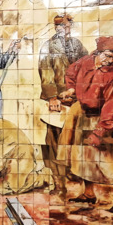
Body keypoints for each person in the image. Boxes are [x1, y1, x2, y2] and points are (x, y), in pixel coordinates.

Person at [56, 36, 113, 213]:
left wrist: (100, 131)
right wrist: (71, 89)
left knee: (105, 159)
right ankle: (88, 194)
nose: (110, 61)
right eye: (107, 56)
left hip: (101, 118)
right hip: (81, 113)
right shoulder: (85, 62)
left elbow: (112, 104)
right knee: (82, 157)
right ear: (98, 52)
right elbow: (71, 72)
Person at [38, 14, 88, 197]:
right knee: (54, 142)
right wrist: (52, 97)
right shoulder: (48, 46)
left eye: (65, 25)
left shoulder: (78, 45)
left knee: (75, 141)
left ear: (70, 26)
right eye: (58, 25)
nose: (61, 28)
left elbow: (88, 68)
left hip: (77, 101)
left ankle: (77, 183)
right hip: (57, 102)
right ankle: (59, 183)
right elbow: (46, 72)